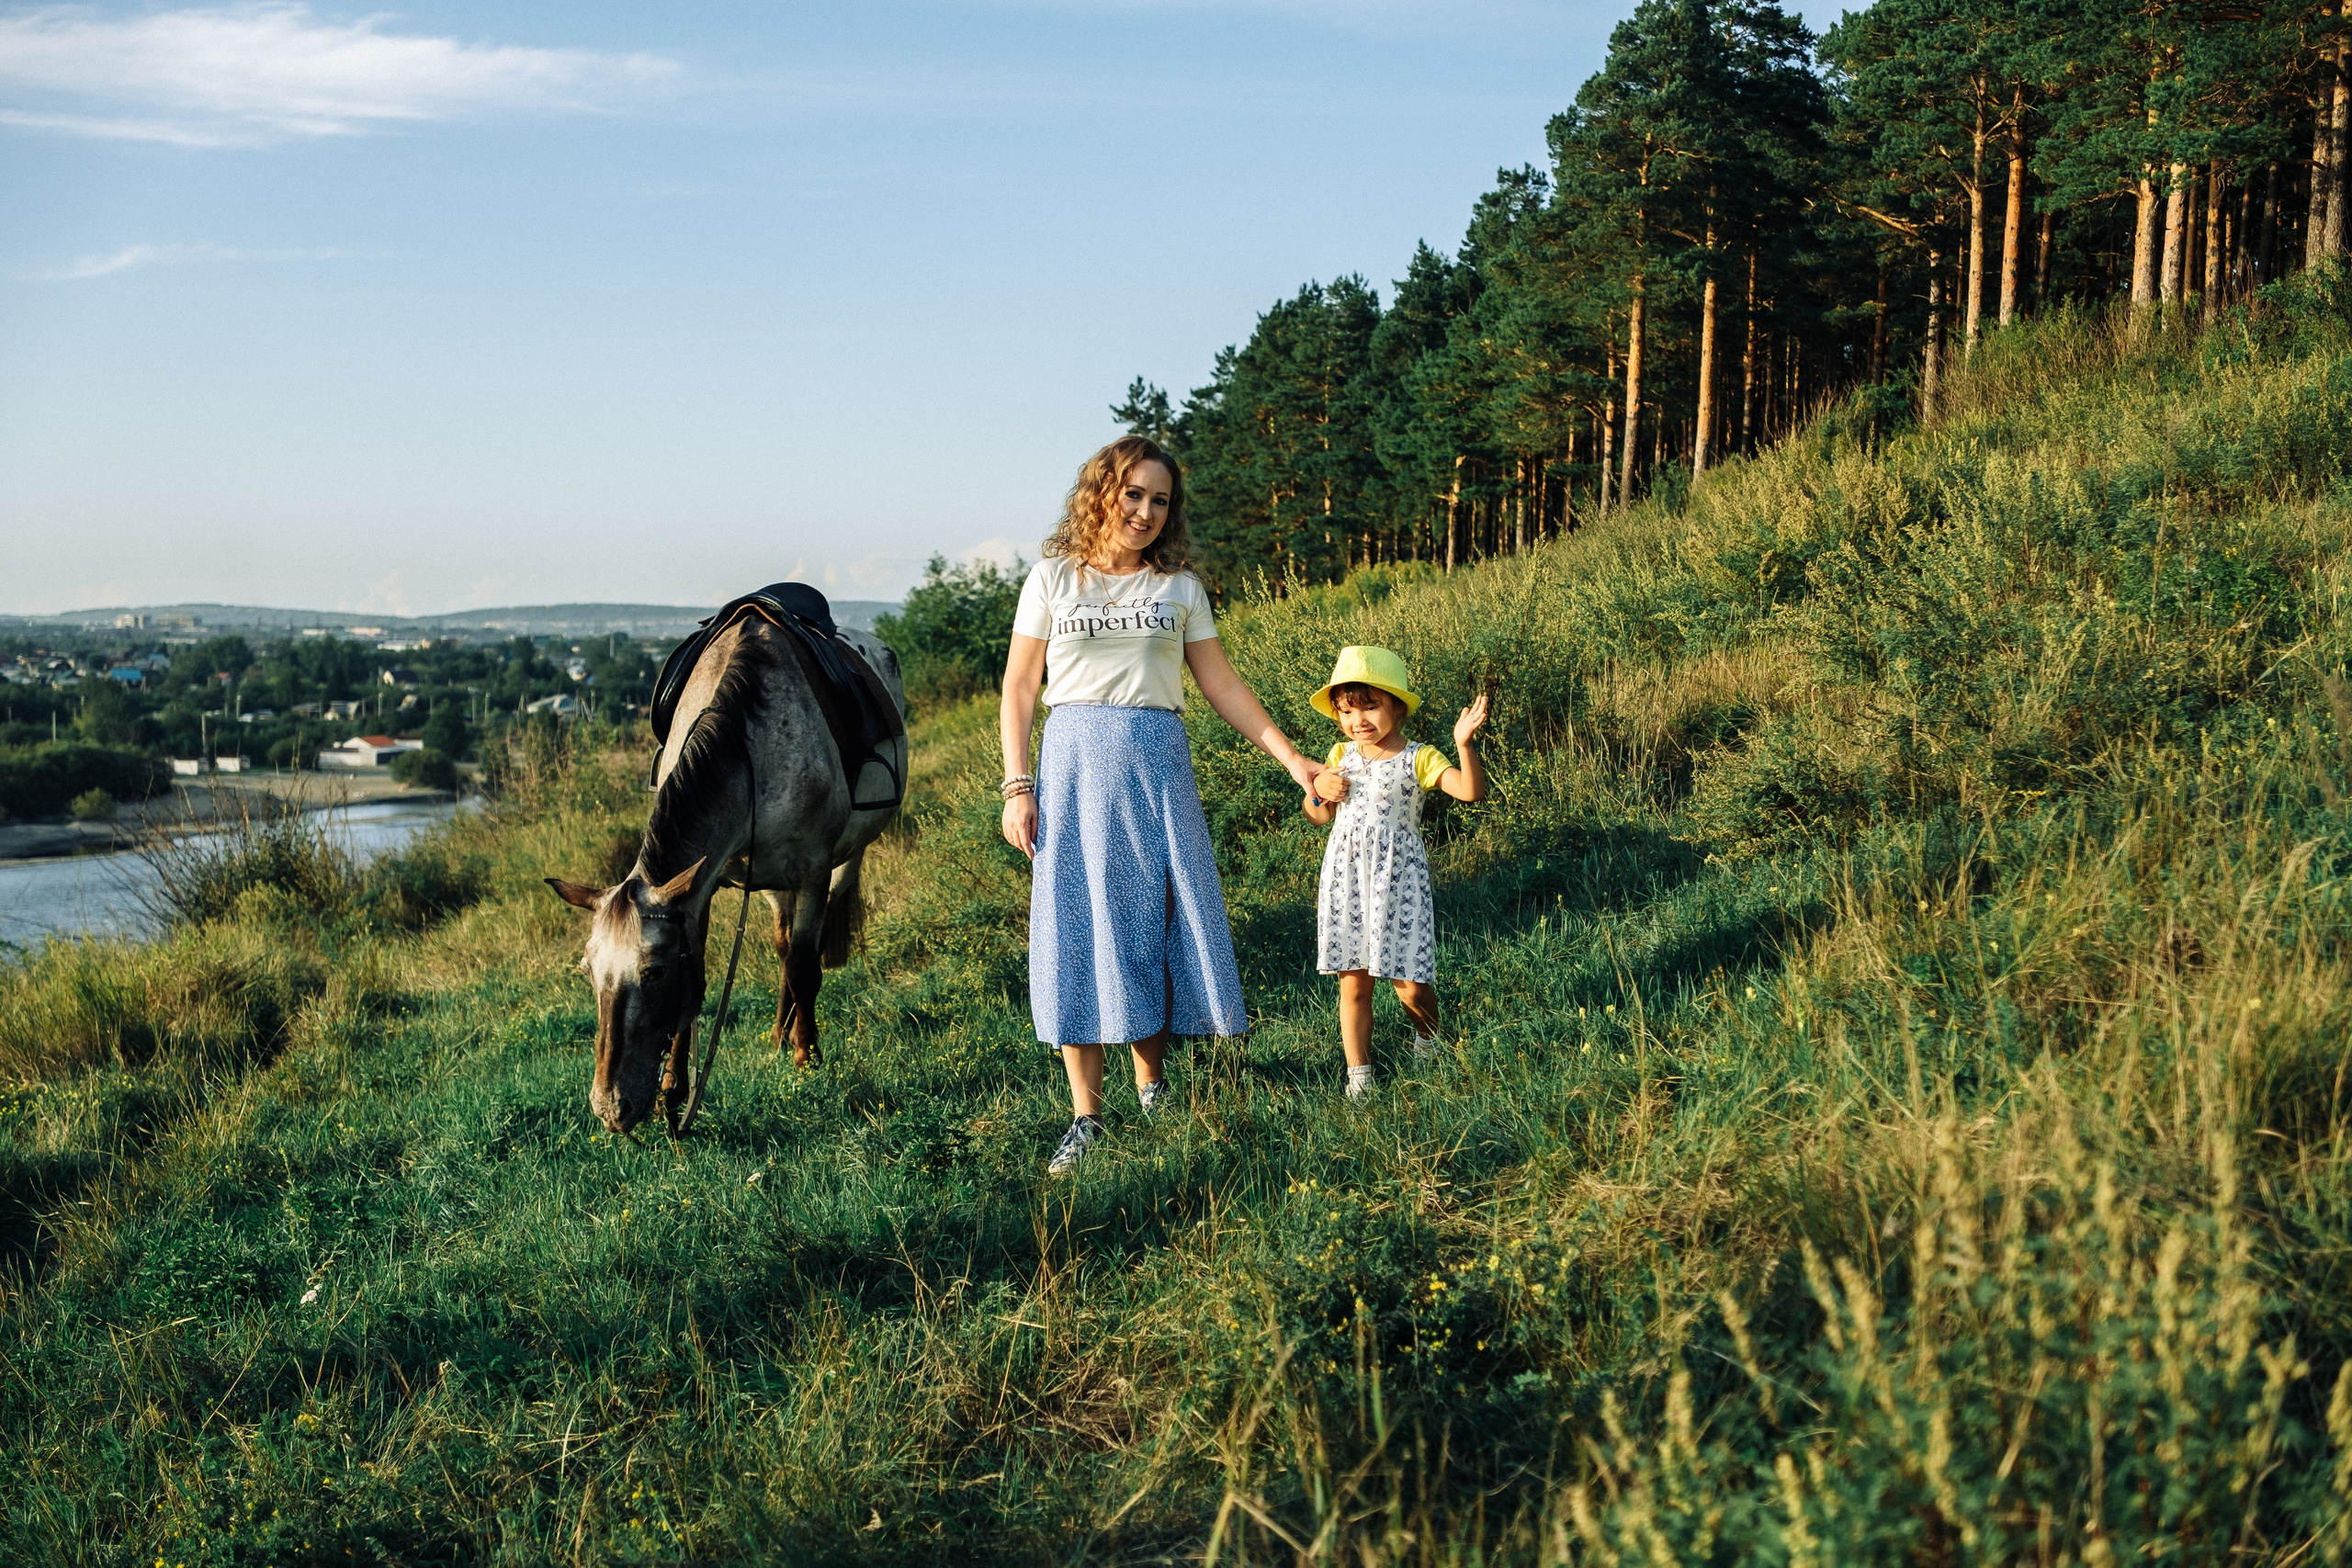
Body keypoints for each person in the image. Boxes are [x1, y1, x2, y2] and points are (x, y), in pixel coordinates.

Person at [1001, 435, 1323, 1174]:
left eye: (1160, 500)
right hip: (1072, 769)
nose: (1145, 511)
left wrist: (1293, 759)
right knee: (1074, 930)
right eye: (1134, 493)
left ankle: (1153, 1086)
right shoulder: (1053, 578)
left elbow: (1224, 686)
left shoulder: (1178, 587)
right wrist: (1018, 785)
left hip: (1155, 768)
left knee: (1150, 920)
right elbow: (1021, 687)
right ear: (1102, 491)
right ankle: (1086, 1117)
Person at [1300, 646, 1488, 1099]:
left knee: (1410, 987)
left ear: (1397, 706)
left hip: (1397, 881)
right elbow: (1317, 816)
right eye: (1346, 710)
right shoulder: (1340, 753)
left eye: (1370, 706)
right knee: (1354, 983)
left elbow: (1469, 791)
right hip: (1347, 880)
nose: (1357, 720)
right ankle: (1358, 1081)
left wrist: (1464, 745)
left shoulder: (1418, 757)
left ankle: (1428, 1037)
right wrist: (1318, 791)